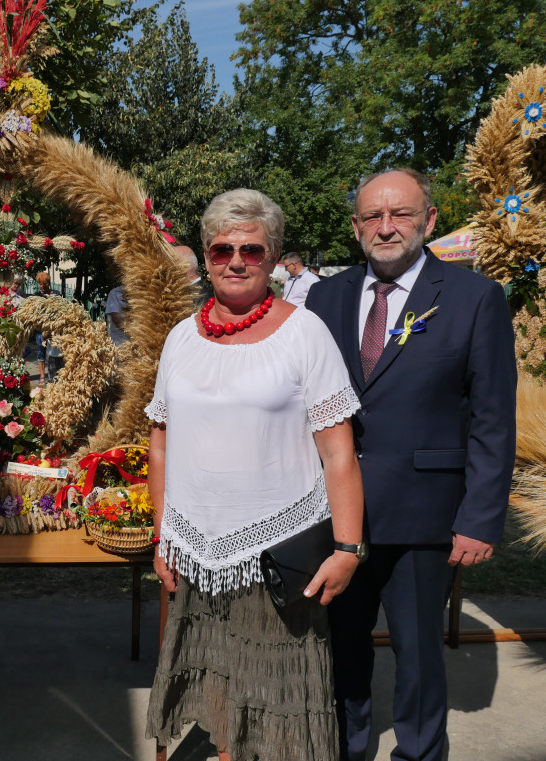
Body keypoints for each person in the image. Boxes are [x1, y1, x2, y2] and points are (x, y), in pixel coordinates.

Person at [146, 189, 365, 761]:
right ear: (206, 254)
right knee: (216, 695)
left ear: (273, 258)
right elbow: (161, 440)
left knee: (278, 710)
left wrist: (347, 548)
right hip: (195, 550)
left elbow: (339, 452)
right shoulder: (180, 339)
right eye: (222, 250)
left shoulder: (305, 333)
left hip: (280, 554)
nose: (236, 261)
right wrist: (162, 534)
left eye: (252, 249)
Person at [306, 168, 516, 761]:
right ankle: (347, 748)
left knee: (419, 654)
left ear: (428, 220)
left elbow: (493, 418)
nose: (386, 226)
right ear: (355, 227)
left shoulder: (476, 298)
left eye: (399, 214)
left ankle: (420, 753)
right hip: (336, 516)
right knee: (341, 649)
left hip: (427, 516)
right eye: (372, 216)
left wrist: (480, 518)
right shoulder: (327, 296)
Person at [32, 271, 61, 383]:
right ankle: (42, 375)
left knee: (54, 351)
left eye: (44, 284)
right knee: (41, 351)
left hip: (53, 328)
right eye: (40, 284)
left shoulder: (56, 294)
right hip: (40, 328)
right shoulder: (36, 296)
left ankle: (53, 373)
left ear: (48, 283)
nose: (42, 286)